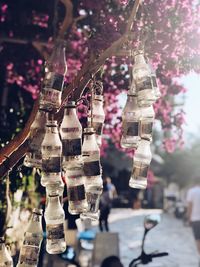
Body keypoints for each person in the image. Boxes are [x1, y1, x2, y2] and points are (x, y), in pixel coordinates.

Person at [186, 177, 200, 266]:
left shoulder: (192, 191)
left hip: (195, 219)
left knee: (198, 239)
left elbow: (190, 206)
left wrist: (188, 218)